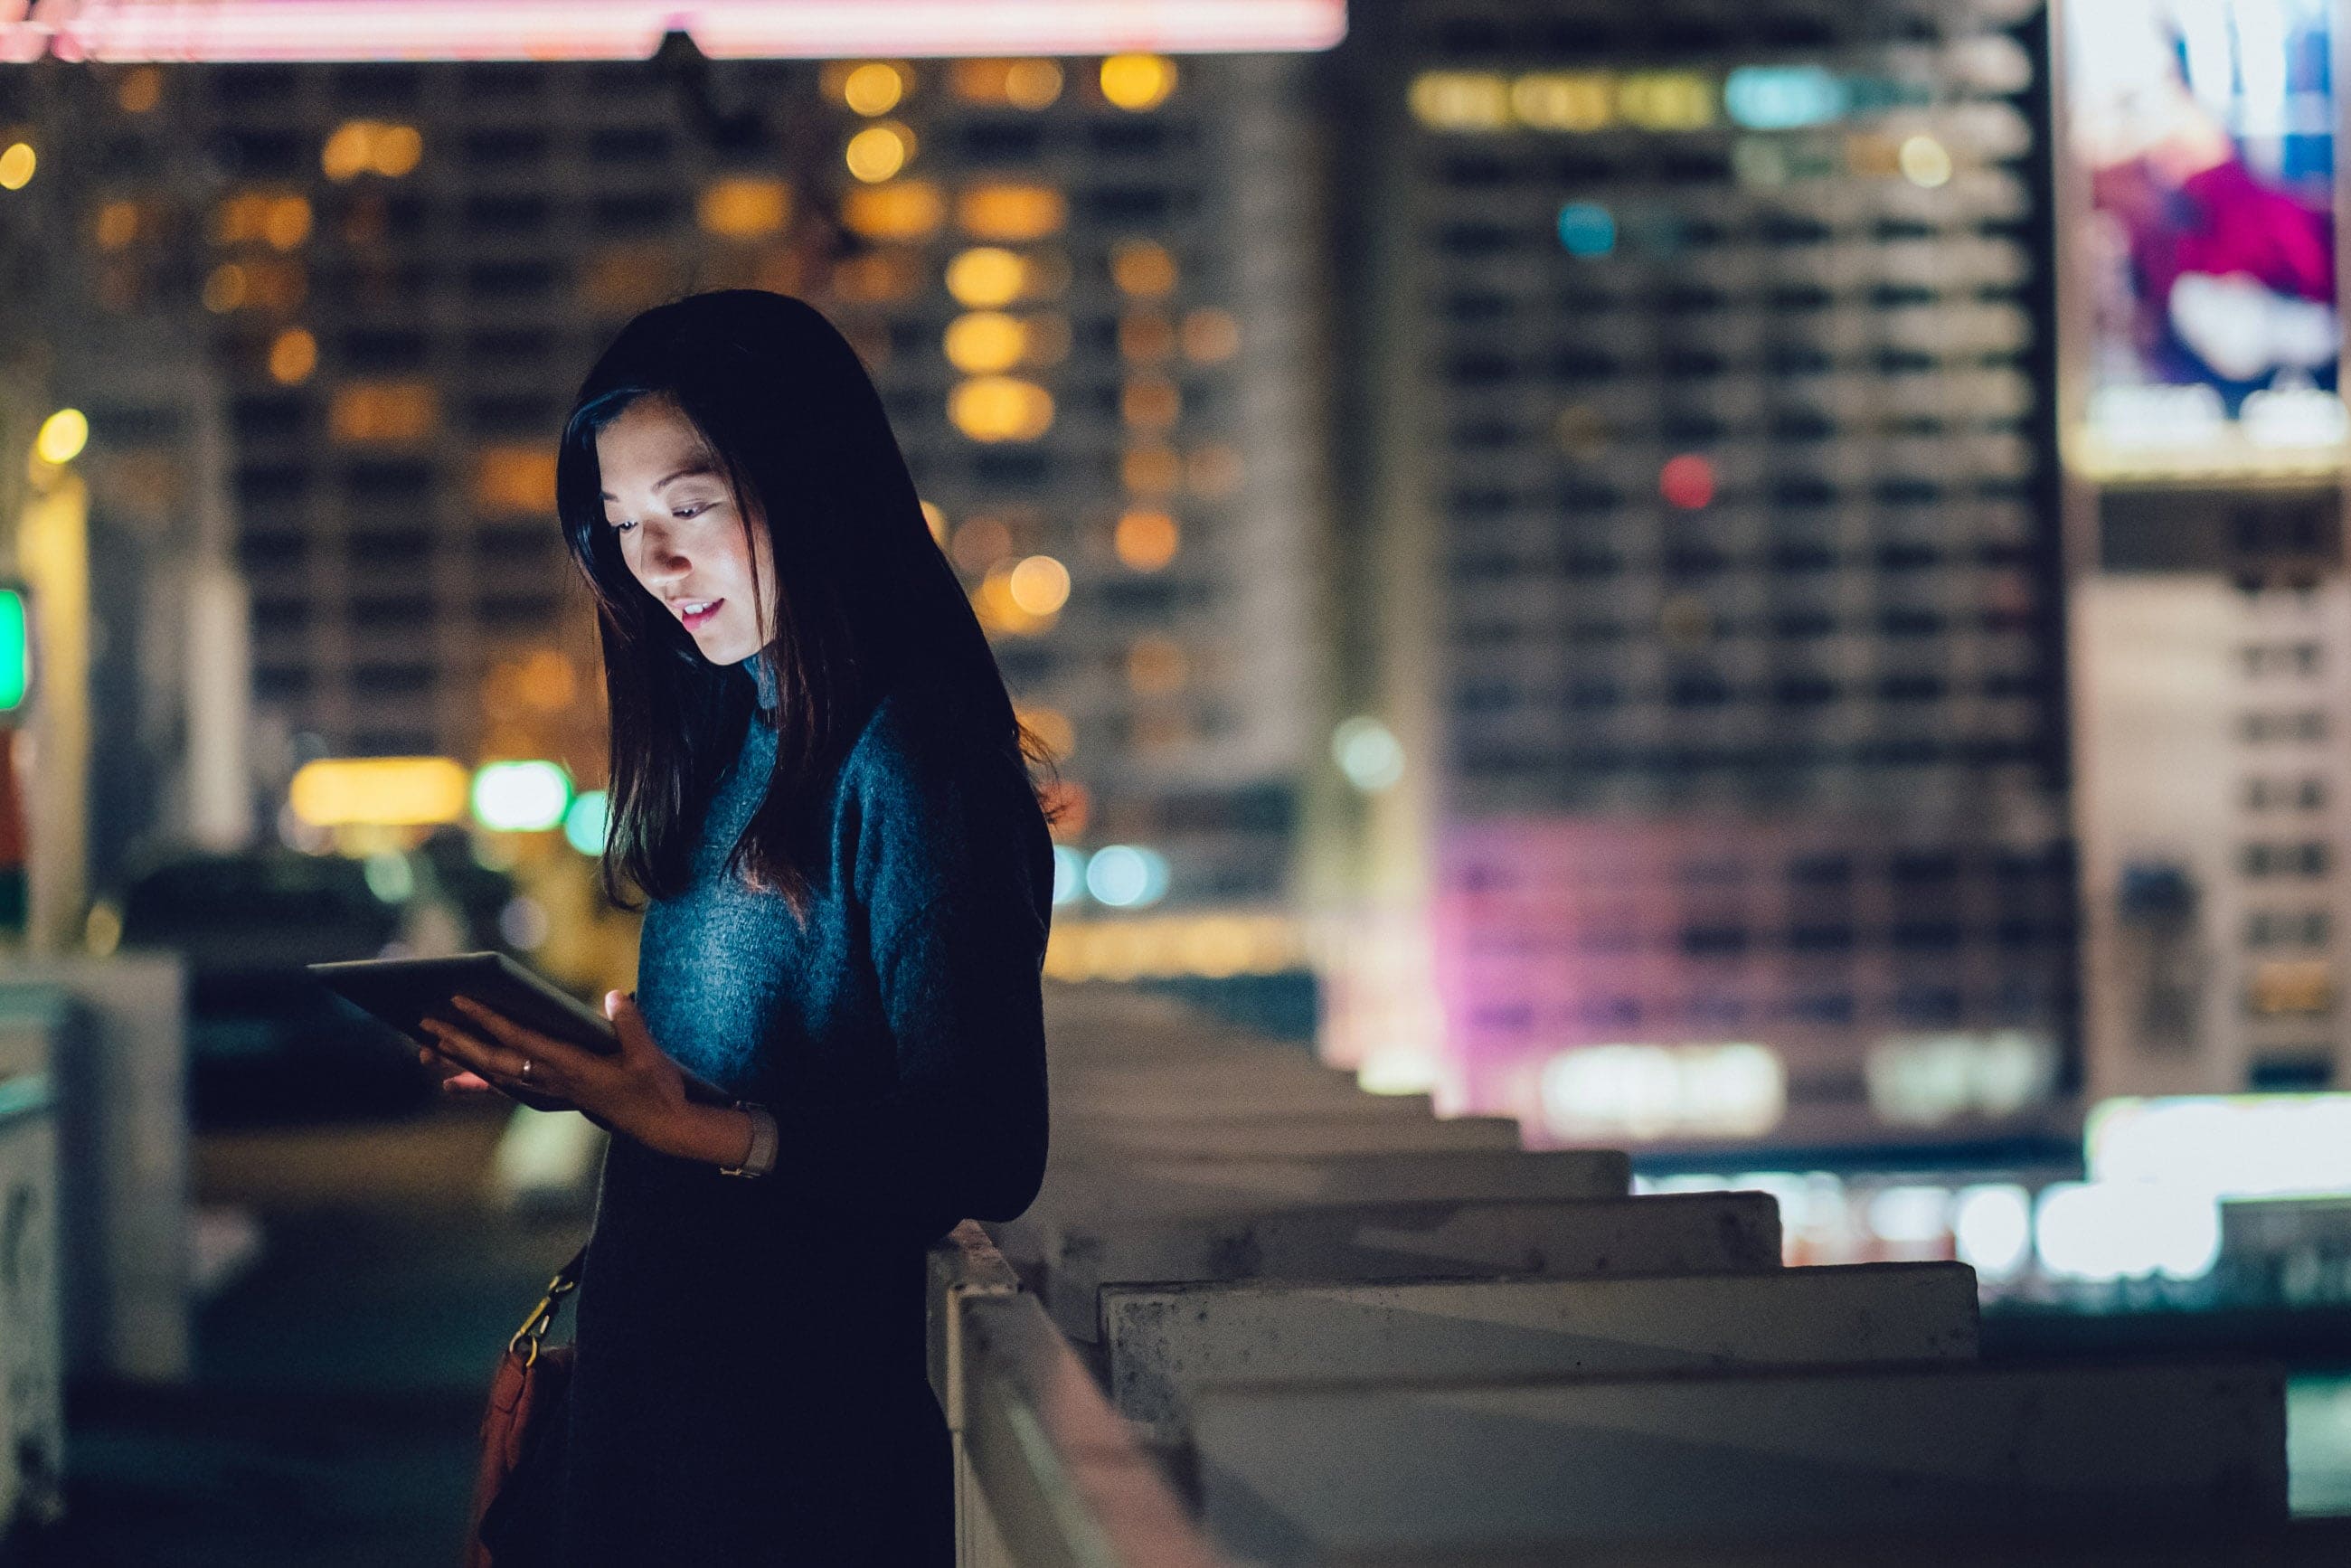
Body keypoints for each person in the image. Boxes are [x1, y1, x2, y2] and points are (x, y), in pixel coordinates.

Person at [415, 289, 1056, 1564]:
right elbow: (743, 1076)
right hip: (649, 1425)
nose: (653, 566)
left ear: (811, 487)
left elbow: (986, 1142)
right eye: (622, 528)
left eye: (689, 509)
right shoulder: (735, 743)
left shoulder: (912, 760)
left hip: (788, 1464)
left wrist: (699, 1126)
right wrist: (585, 1075)